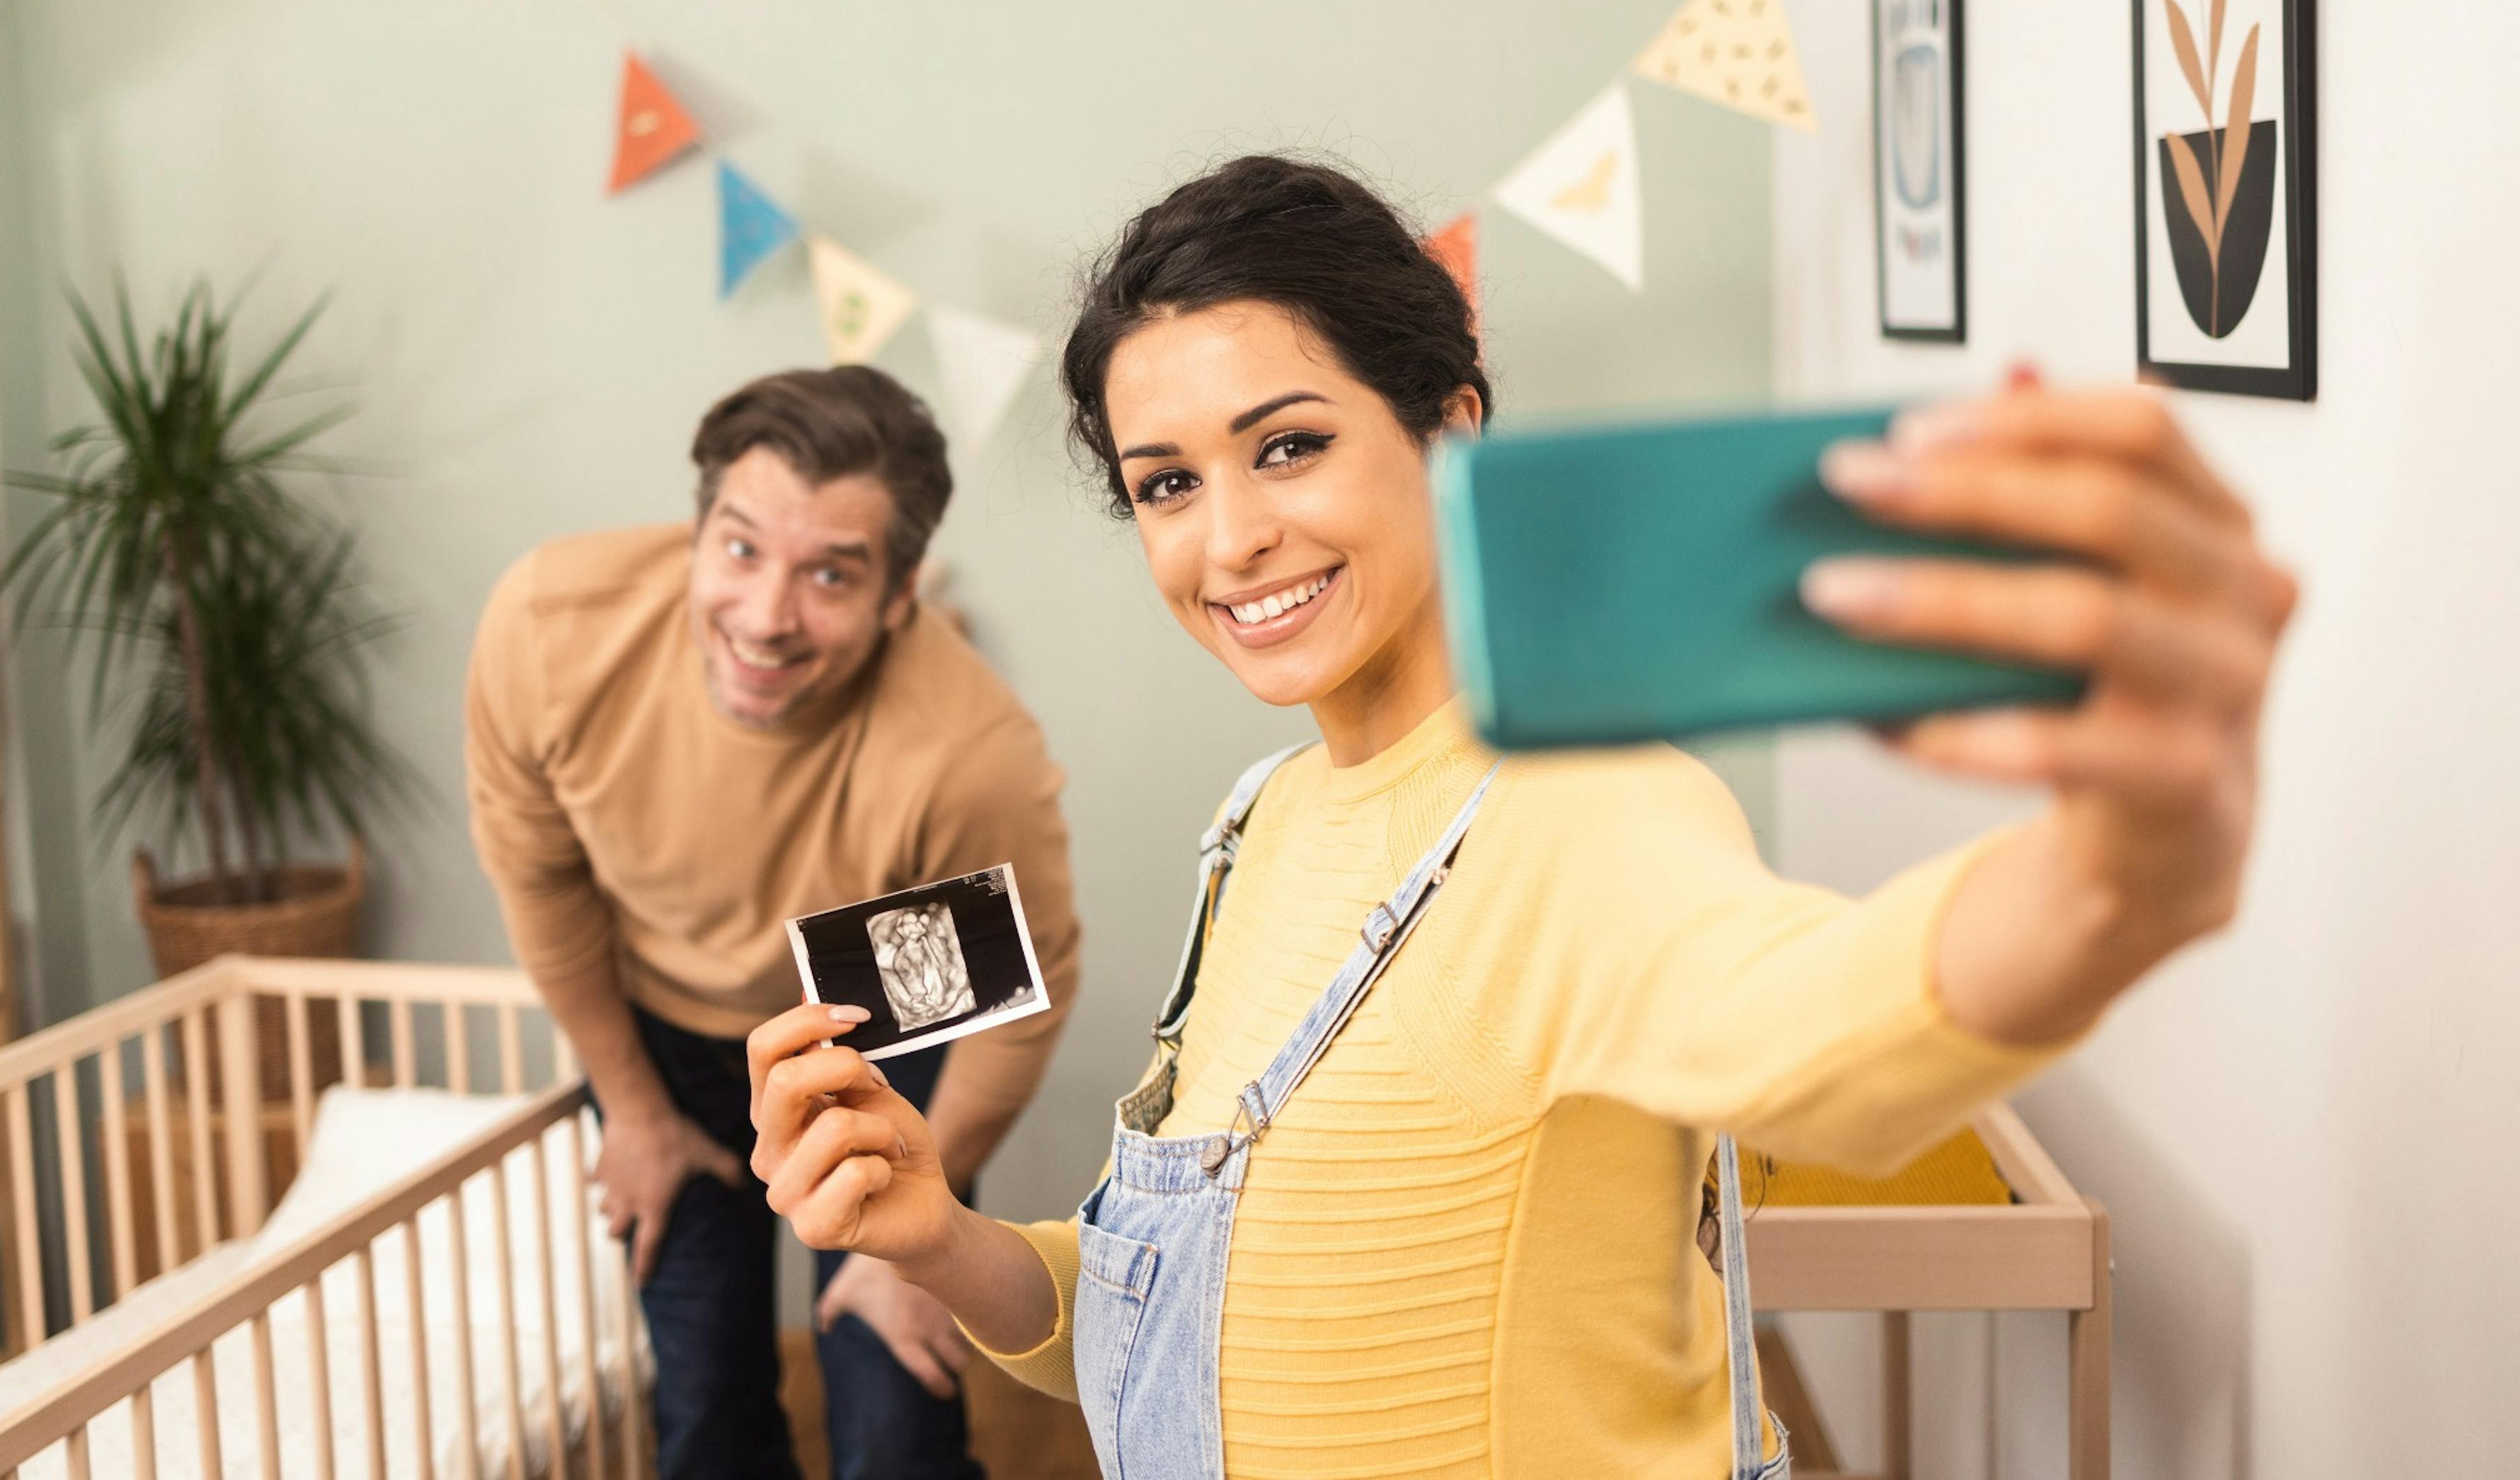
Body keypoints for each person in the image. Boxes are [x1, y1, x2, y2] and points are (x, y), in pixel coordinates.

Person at [743, 156, 2296, 1479]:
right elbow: (1167, 1328)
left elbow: (1830, 1036)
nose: (1232, 537)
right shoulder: (1262, 819)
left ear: (1452, 427)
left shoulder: (1584, 806)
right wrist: (932, 1229)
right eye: (1165, 482)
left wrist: (2128, 867)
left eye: (1289, 444)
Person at [466, 367, 1082, 1480]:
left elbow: (1017, 1004)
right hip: (667, 1037)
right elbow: (542, 878)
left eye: (831, 575)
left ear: (902, 594)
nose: (765, 616)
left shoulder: (964, 750)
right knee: (705, 1410)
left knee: (897, 1419)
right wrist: (638, 1114)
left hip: (871, 1038)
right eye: (741, 551)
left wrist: (923, 1243)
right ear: (696, 533)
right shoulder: (551, 632)